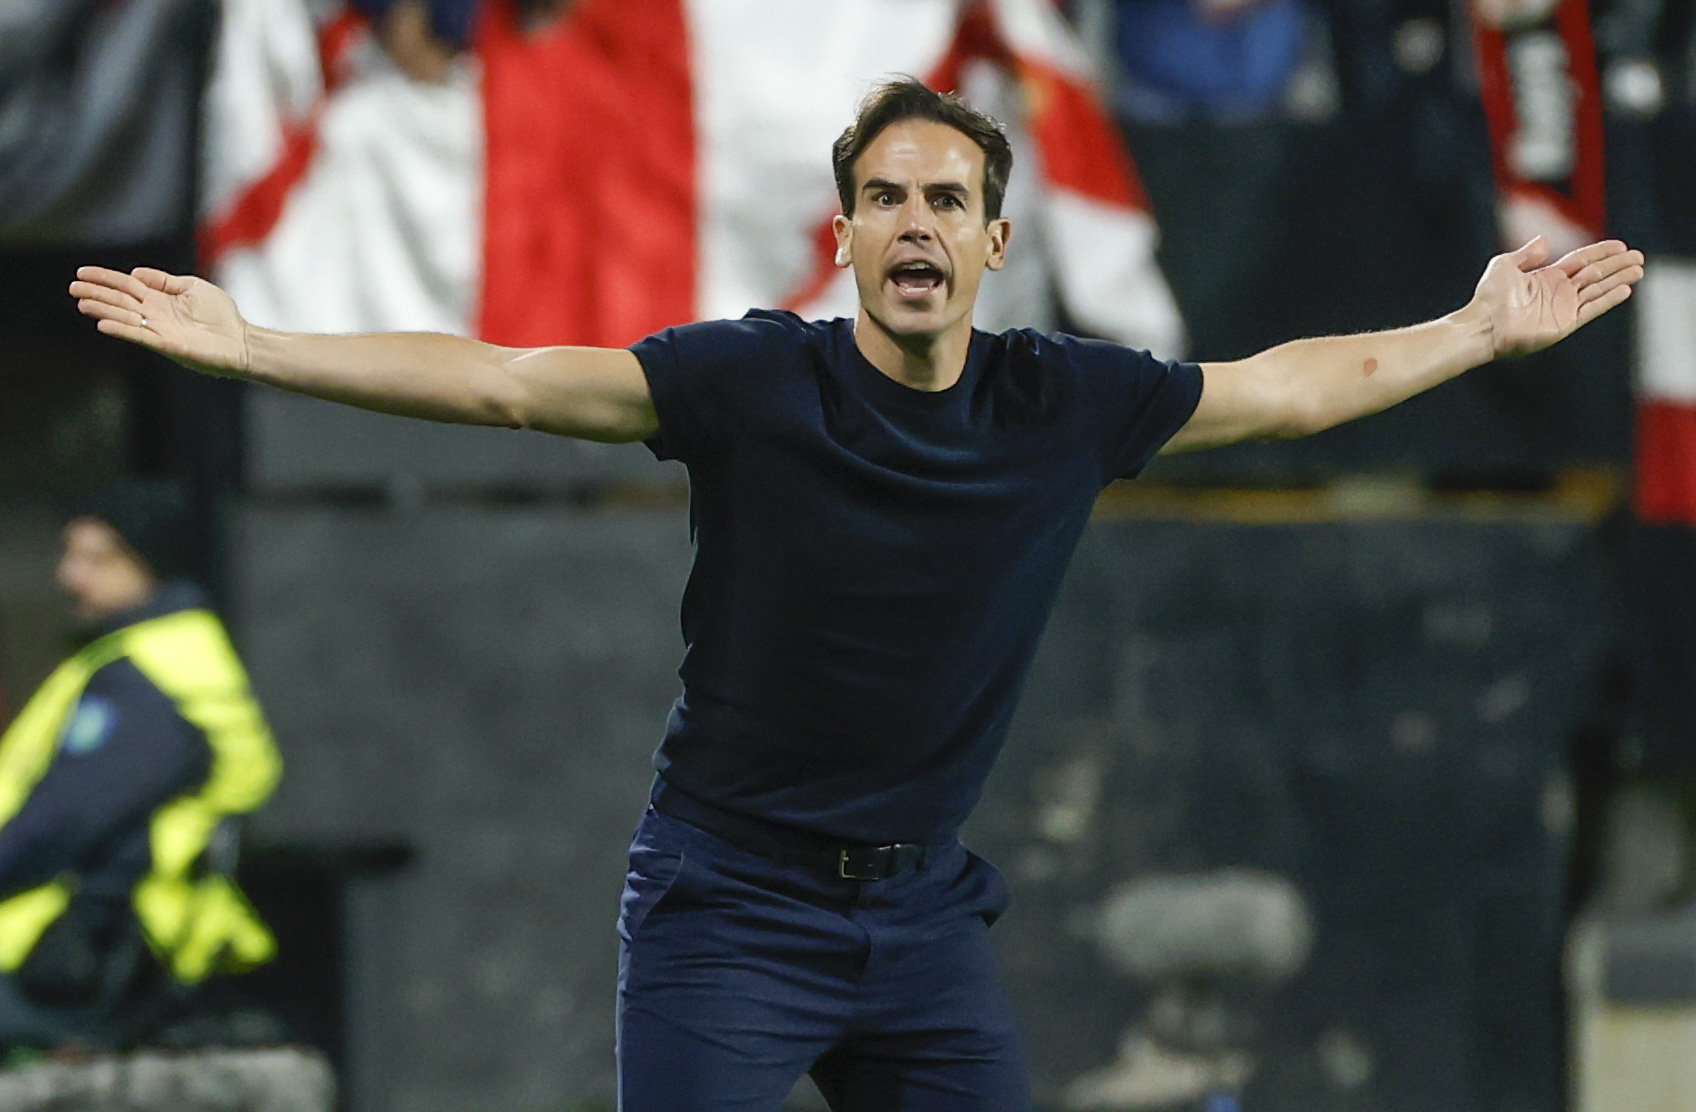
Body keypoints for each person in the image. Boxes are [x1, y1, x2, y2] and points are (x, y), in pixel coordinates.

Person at [69, 77, 1642, 1110]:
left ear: (992, 242)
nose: (914, 224)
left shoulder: (1061, 402)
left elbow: (1287, 393)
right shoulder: (758, 380)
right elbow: (498, 383)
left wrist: (1474, 334)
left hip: (921, 917)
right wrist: (258, 344)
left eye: (945, 201)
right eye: (885, 198)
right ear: (845, 235)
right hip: (727, 903)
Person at [0, 482, 282, 1051]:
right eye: (69, 554)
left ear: (150, 563)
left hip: (83, 952)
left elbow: (61, 823)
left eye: (98, 558)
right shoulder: (150, 655)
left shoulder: (150, 677)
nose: (70, 576)